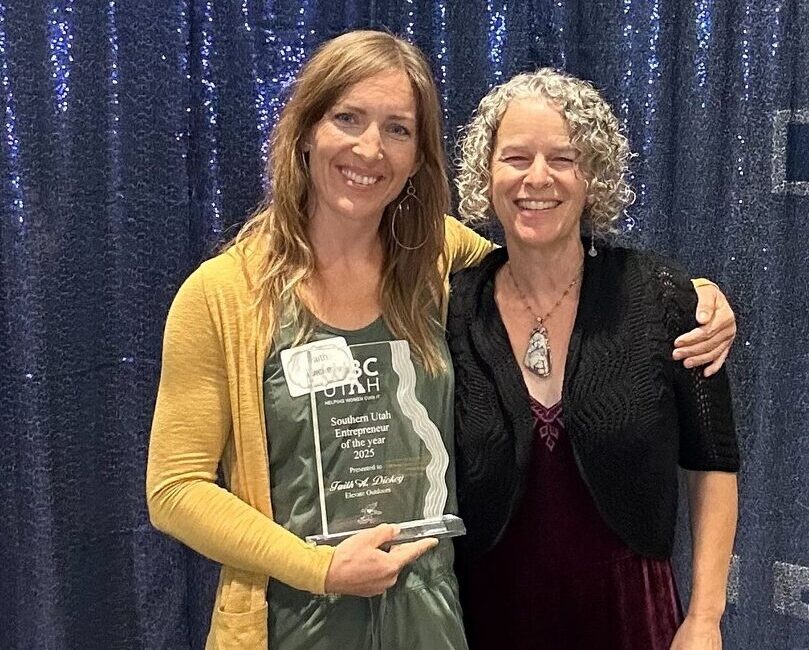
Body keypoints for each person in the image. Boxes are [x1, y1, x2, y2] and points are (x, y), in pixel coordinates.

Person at [147, 32, 735, 650]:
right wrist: (318, 568)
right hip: (296, 618)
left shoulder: (435, 260)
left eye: (398, 129)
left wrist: (696, 299)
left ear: (417, 156)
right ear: (305, 132)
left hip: (433, 619)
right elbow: (175, 490)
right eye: (347, 118)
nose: (370, 148)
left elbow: (542, 267)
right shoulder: (222, 297)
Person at [448, 69, 739, 650]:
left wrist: (705, 617)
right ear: (486, 173)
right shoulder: (454, 306)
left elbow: (713, 461)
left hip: (632, 619)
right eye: (516, 157)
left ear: (594, 176)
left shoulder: (662, 297)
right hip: (486, 618)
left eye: (563, 158)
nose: (537, 178)